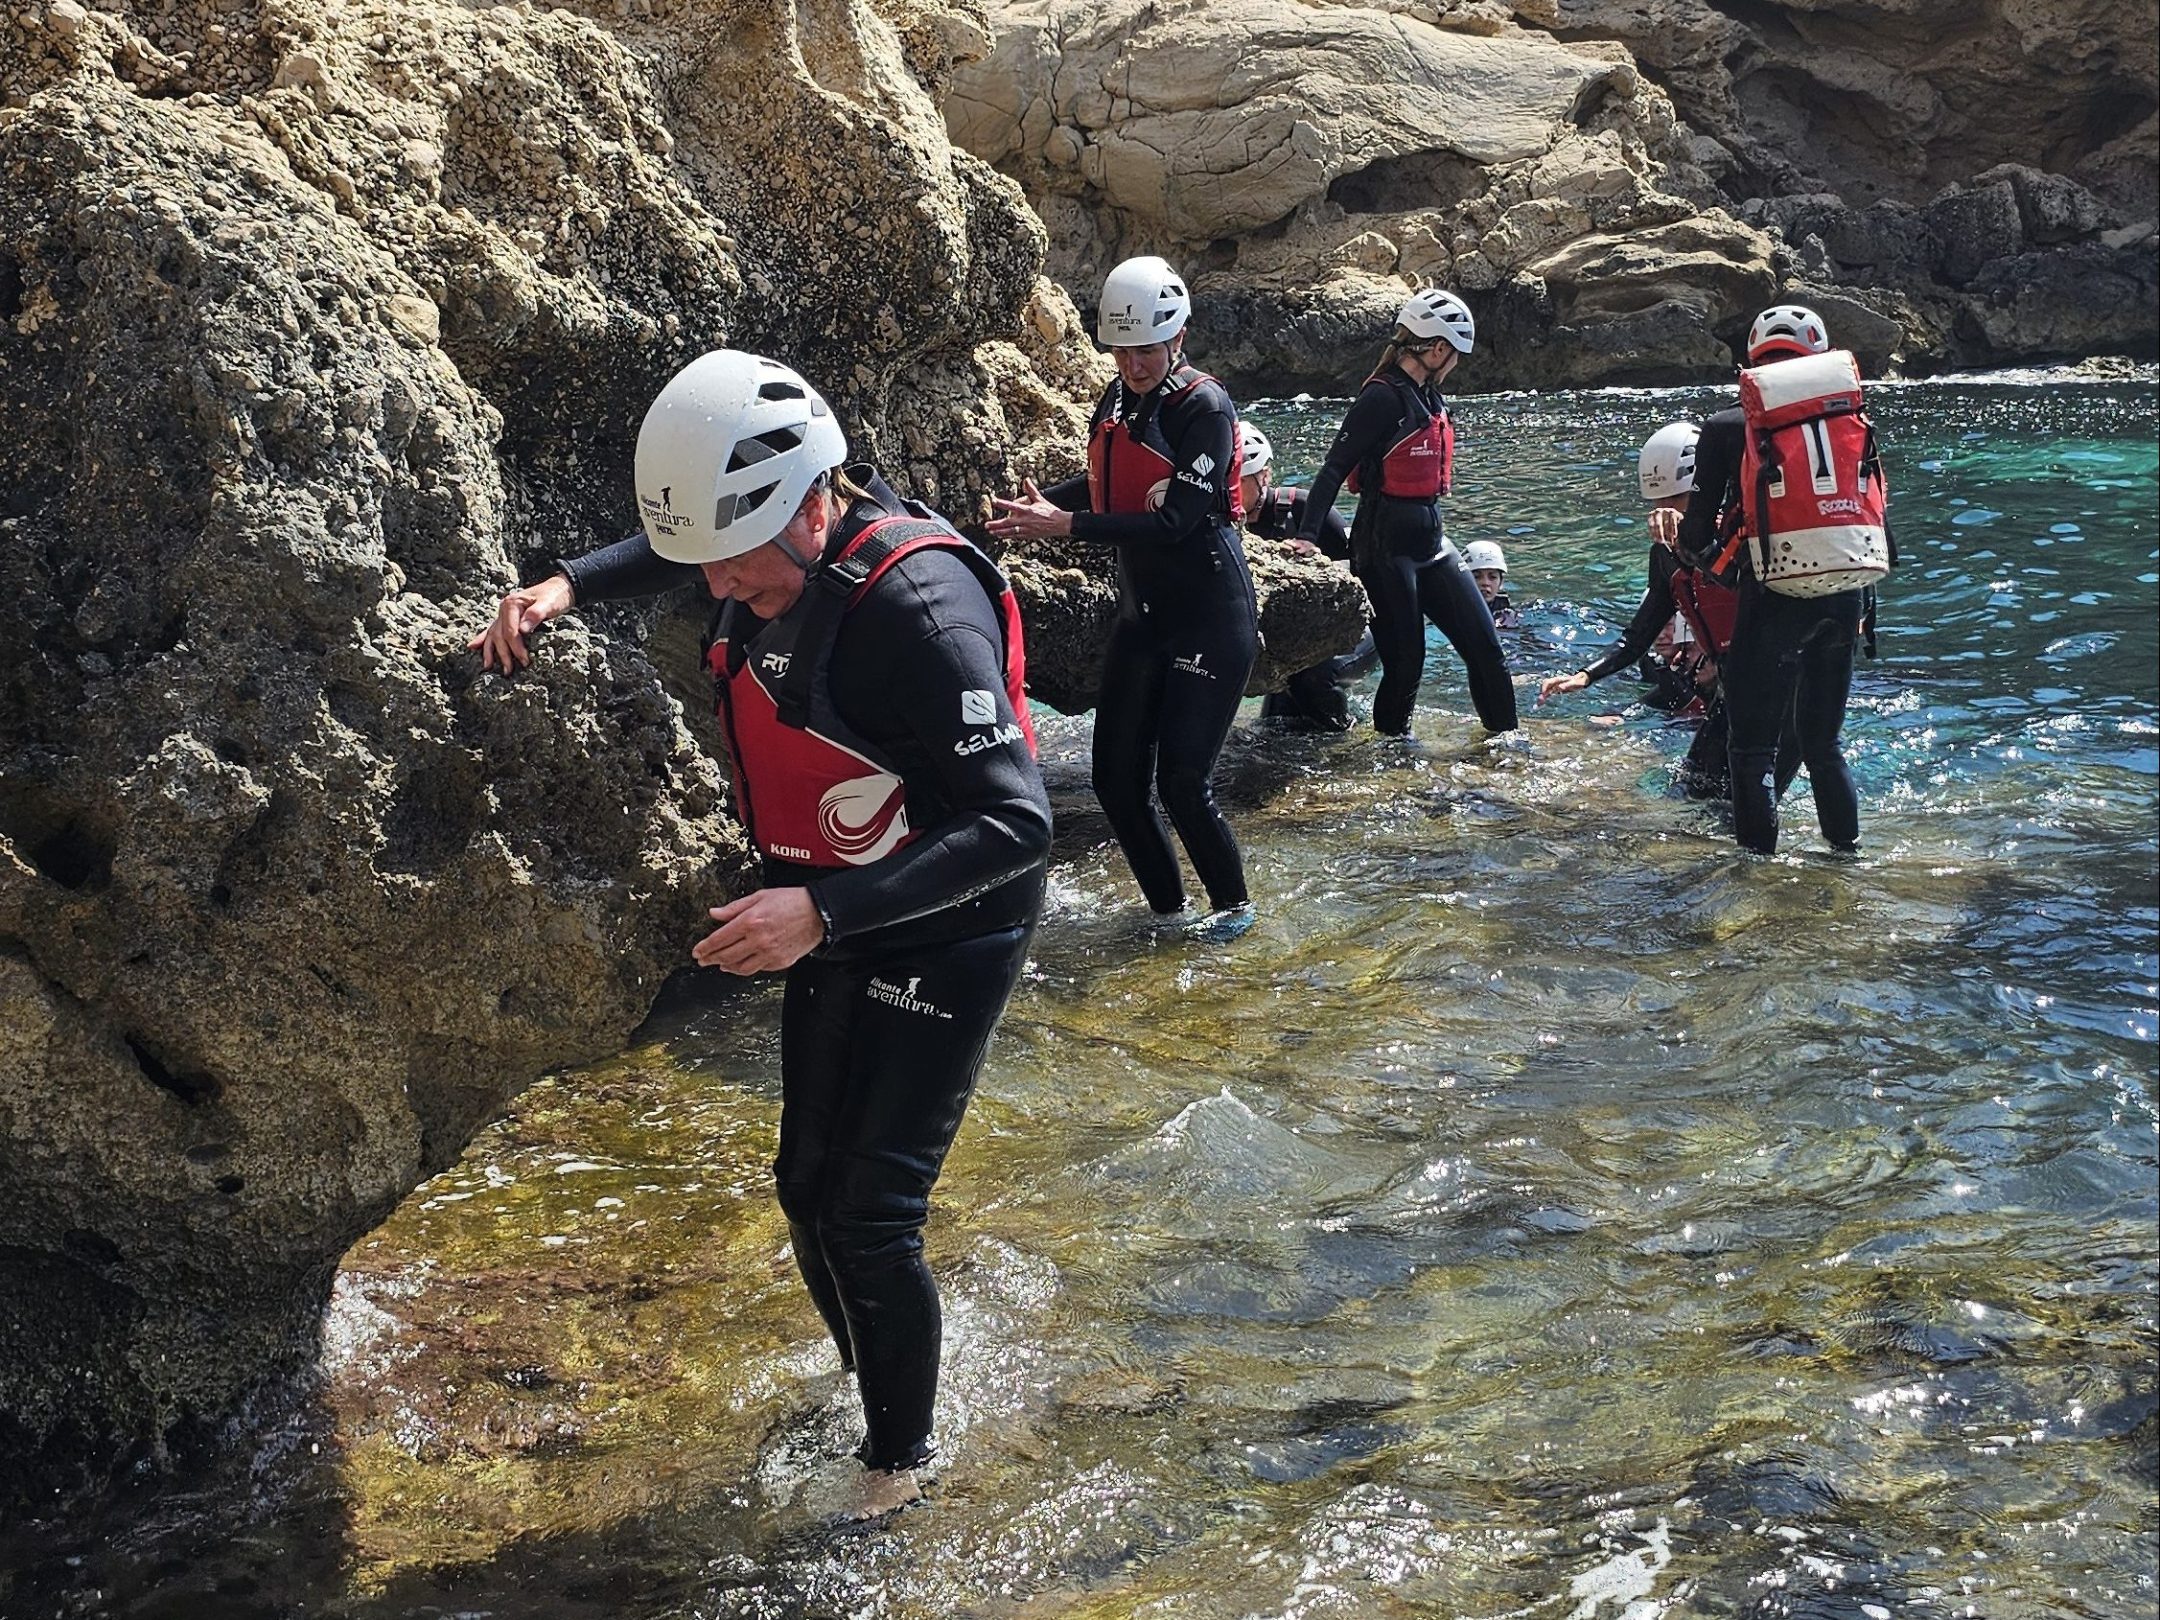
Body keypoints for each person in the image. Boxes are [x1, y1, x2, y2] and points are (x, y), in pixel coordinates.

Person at [471, 350, 1051, 1514]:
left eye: (740, 558)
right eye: (707, 564)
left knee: (870, 1213)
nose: (722, 587)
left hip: (948, 920)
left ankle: (900, 1477)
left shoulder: (919, 615)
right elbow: (693, 544)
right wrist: (569, 584)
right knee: (803, 1189)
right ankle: (878, 1387)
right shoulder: (752, 552)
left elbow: (1017, 823)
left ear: (813, 504)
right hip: (832, 909)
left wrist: (820, 911)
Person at [988, 255, 1258, 930]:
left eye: (1145, 350)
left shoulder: (1205, 407)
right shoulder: (1115, 399)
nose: (1132, 364)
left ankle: (1234, 917)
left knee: (1183, 785)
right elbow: (1108, 483)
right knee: (1114, 783)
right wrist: (1034, 510)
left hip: (1209, 617)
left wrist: (1066, 526)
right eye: (1120, 351)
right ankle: (1168, 915)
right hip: (1144, 619)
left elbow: (1176, 520)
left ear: (1179, 336)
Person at [1673, 304, 1888, 854]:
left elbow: (1695, 538)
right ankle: (1846, 860)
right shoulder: (1852, 421)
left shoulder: (1725, 428)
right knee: (1823, 747)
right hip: (1845, 598)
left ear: (1753, 361)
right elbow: (1878, 526)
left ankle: (1758, 881)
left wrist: (1720, 571)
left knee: (1752, 755)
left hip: (1770, 598)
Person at [1294, 289, 1518, 738]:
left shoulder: (1428, 396)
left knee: (1486, 649)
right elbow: (1334, 469)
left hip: (1432, 545)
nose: (1456, 364)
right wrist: (1306, 535)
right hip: (1384, 549)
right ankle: (1394, 752)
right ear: (1437, 349)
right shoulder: (1382, 398)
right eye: (1454, 354)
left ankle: (1507, 741)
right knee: (1406, 664)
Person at [1536, 421, 1759, 799]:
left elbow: (1731, 582)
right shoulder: (1663, 556)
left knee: (1745, 786)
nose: (1662, 513)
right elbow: (1639, 634)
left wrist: (1691, 540)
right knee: (1696, 788)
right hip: (1732, 692)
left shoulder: (1741, 537)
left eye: (1675, 501)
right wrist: (1586, 676)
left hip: (1769, 684)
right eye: (1657, 503)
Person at [1240, 421, 1376, 731]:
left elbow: (1359, 585)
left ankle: (1348, 737)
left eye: (1239, 480)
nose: (1231, 490)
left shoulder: (1304, 509)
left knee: (1310, 680)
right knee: (1276, 723)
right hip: (1292, 642)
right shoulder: (1223, 523)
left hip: (1355, 632)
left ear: (1264, 476)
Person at [1461, 540, 1518, 628]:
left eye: (1492, 577)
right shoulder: (1447, 611)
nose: (1485, 583)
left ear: (1501, 583)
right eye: (1476, 577)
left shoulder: (1510, 616)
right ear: (1461, 580)